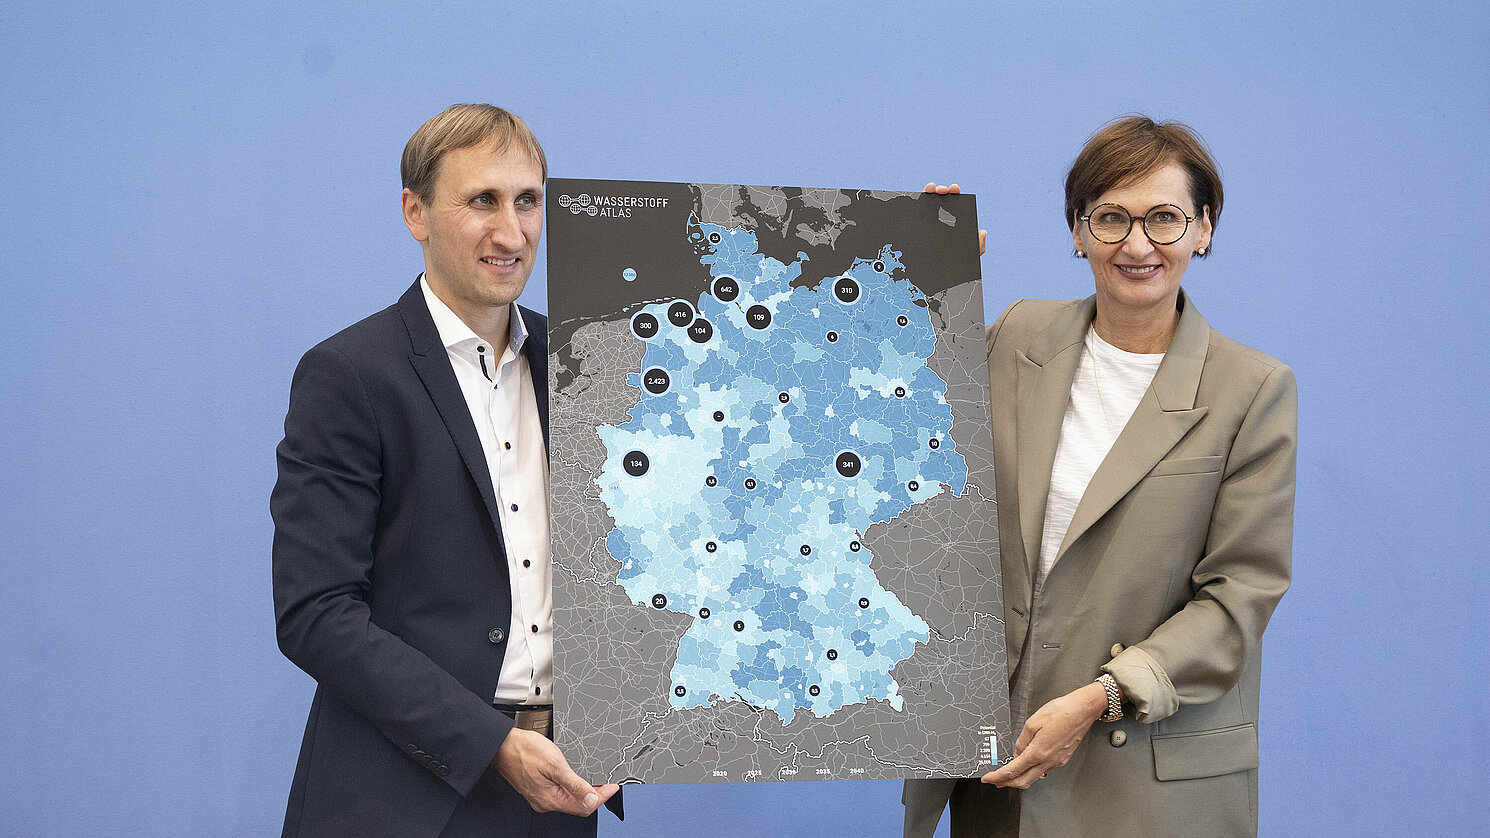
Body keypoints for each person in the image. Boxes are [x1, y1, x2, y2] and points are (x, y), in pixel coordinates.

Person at [905, 116, 1296, 837]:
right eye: (1111, 218)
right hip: (994, 770)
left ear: (1204, 229)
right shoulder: (1017, 337)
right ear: (1078, 231)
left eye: (1165, 218)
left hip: (1137, 783)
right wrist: (923, 287)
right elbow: (904, 449)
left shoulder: (1252, 389)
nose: (1138, 244)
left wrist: (1099, 698)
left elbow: (1239, 597)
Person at [271, 104, 620, 837]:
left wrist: (931, 239)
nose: (511, 231)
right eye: (481, 201)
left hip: (561, 792)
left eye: (528, 201)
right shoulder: (350, 375)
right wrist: (490, 744)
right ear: (415, 213)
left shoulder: (586, 368)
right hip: (402, 799)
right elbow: (316, 615)